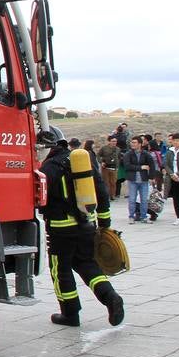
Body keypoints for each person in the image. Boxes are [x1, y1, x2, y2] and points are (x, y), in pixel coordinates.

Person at [38, 137, 125, 327]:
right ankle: (110, 297)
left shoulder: (49, 167)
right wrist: (104, 222)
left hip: (60, 228)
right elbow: (101, 191)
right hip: (88, 225)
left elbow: (40, 197)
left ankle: (70, 314)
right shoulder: (82, 162)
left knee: (60, 269)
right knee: (87, 264)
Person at [122, 136, 157, 222]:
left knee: (144, 200)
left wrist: (151, 177)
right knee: (132, 199)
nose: (132, 144)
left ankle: (143, 216)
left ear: (140, 144)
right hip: (132, 180)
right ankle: (131, 216)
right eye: (132, 142)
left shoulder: (146, 154)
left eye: (134, 142)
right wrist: (141, 167)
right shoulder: (128, 154)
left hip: (143, 179)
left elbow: (152, 165)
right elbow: (127, 166)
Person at [98, 136, 121, 200]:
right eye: (113, 141)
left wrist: (117, 166)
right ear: (109, 141)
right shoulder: (104, 148)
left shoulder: (118, 149)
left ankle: (112, 195)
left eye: (115, 141)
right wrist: (101, 162)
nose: (114, 142)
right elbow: (98, 155)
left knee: (113, 183)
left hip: (114, 168)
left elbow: (119, 158)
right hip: (105, 168)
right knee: (106, 183)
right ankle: (107, 196)